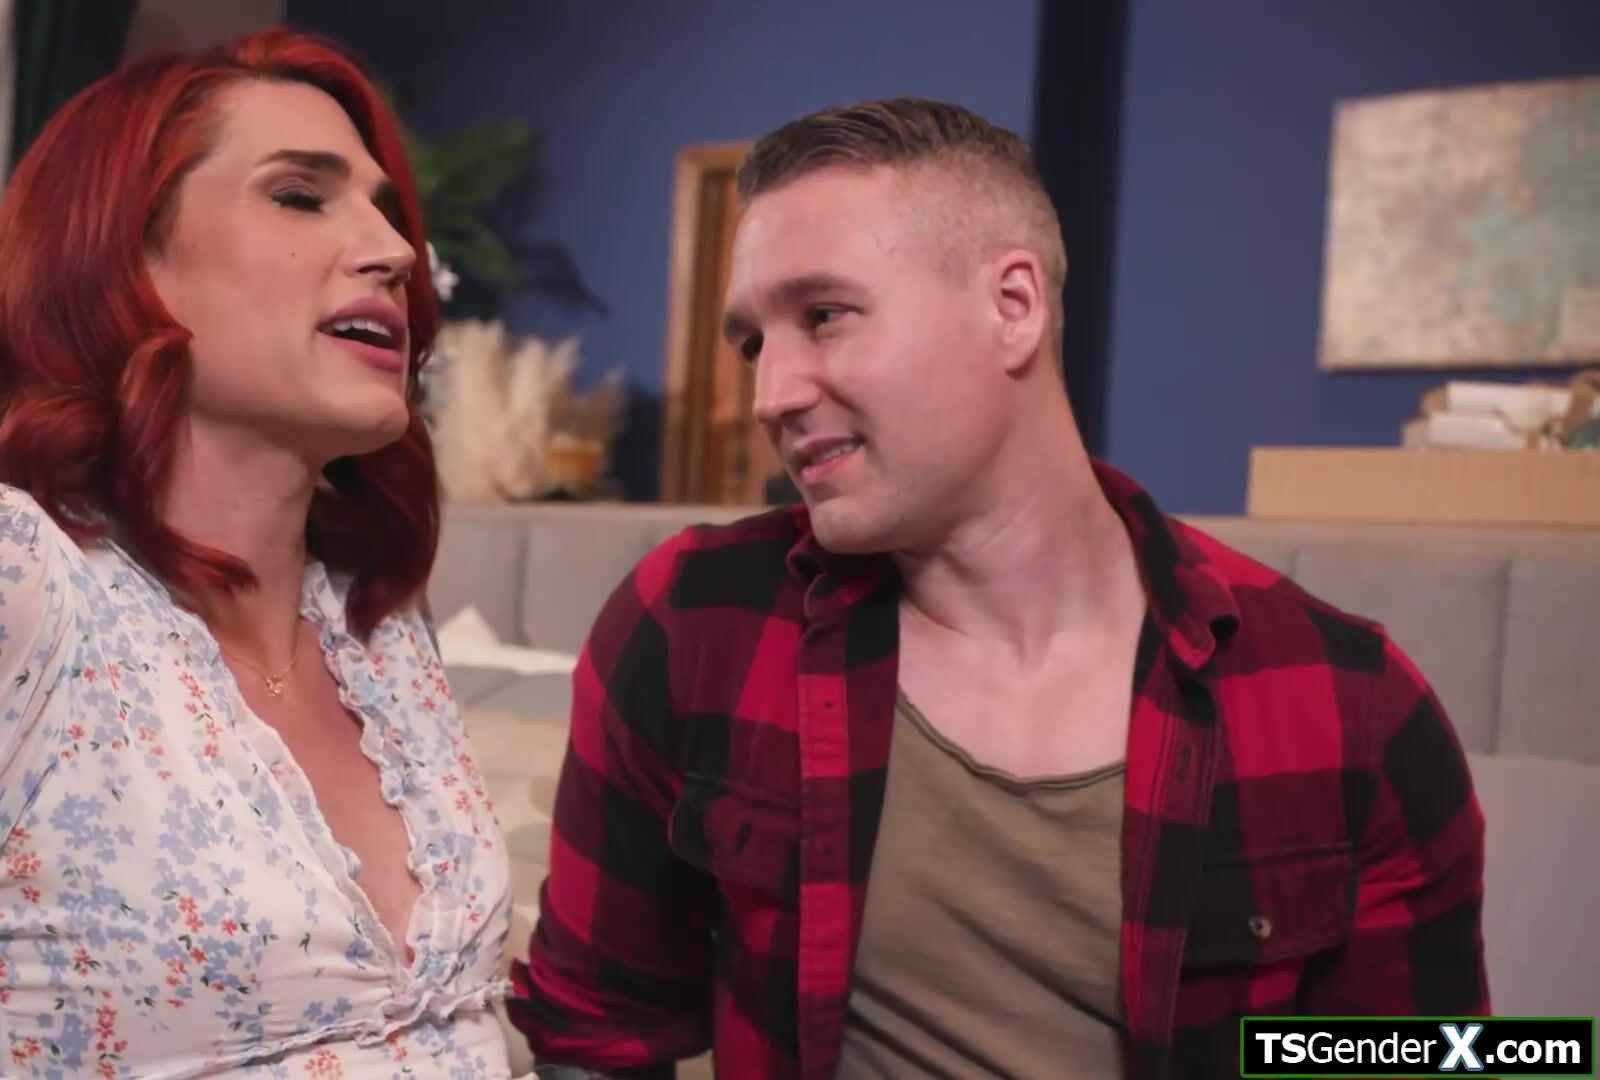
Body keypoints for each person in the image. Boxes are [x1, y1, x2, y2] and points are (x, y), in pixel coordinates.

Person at [509, 98, 1487, 1079]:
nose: (772, 395)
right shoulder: (695, 623)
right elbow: (595, 1034)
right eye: (753, 343)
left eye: (824, 316)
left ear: (1012, 307)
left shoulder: (1350, 702)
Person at [0, 28, 521, 1078]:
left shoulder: (377, 626)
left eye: (388, 211)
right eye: (300, 197)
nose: (393, 251)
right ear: (124, 262)